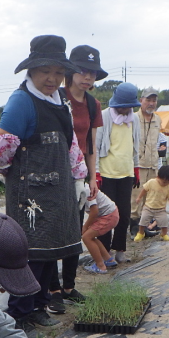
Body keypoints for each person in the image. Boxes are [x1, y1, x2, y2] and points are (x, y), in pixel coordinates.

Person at [0, 35, 87, 333]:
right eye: (46, 71)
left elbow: (71, 144)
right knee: (29, 253)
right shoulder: (21, 101)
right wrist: (8, 173)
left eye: (59, 72)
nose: (53, 78)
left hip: (58, 187)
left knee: (51, 249)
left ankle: (40, 304)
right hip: (29, 191)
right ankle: (20, 311)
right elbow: (1, 151)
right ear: (31, 70)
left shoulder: (60, 101)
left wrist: (79, 177)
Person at [47, 45, 107, 313]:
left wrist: (93, 178)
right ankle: (52, 289)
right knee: (51, 230)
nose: (87, 78)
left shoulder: (93, 105)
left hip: (79, 174)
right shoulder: (56, 96)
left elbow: (91, 145)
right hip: (54, 171)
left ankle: (69, 286)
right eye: (82, 71)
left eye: (92, 73)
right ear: (71, 72)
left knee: (75, 229)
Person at [94, 82, 141, 263]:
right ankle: (105, 253)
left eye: (129, 106)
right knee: (107, 215)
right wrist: (96, 173)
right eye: (123, 106)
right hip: (107, 173)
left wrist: (136, 167)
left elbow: (135, 144)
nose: (126, 110)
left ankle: (120, 249)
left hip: (126, 172)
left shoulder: (133, 119)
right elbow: (97, 146)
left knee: (124, 213)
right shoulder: (104, 116)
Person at [130, 87, 162, 236]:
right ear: (141, 100)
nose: (151, 103)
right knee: (136, 195)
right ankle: (133, 225)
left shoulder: (158, 119)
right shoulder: (133, 118)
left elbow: (157, 142)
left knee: (150, 196)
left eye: (154, 100)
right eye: (148, 100)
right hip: (138, 164)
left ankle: (146, 225)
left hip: (152, 164)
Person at [133, 164, 169, 242]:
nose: (165, 183)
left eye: (167, 182)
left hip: (160, 209)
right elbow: (144, 190)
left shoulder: (168, 187)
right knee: (143, 220)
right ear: (158, 176)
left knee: (164, 222)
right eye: (163, 181)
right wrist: (139, 197)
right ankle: (140, 233)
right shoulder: (151, 182)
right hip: (148, 207)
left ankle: (164, 234)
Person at [82, 191, 120, 274]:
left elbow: (94, 211)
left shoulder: (86, 190)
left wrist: (85, 226)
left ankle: (100, 266)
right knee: (90, 236)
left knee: (86, 237)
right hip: (108, 214)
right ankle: (108, 260)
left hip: (108, 215)